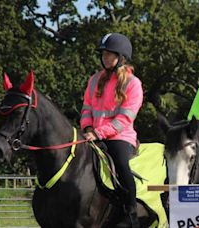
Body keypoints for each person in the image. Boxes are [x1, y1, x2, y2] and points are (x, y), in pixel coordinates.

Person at [80, 33, 142, 227]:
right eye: (104, 54)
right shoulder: (94, 80)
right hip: (92, 134)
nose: (105, 58)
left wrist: (98, 133)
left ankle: (131, 212)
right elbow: (86, 108)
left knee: (122, 166)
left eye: (110, 54)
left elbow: (124, 119)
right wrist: (88, 127)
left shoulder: (133, 84)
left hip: (119, 137)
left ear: (122, 58)